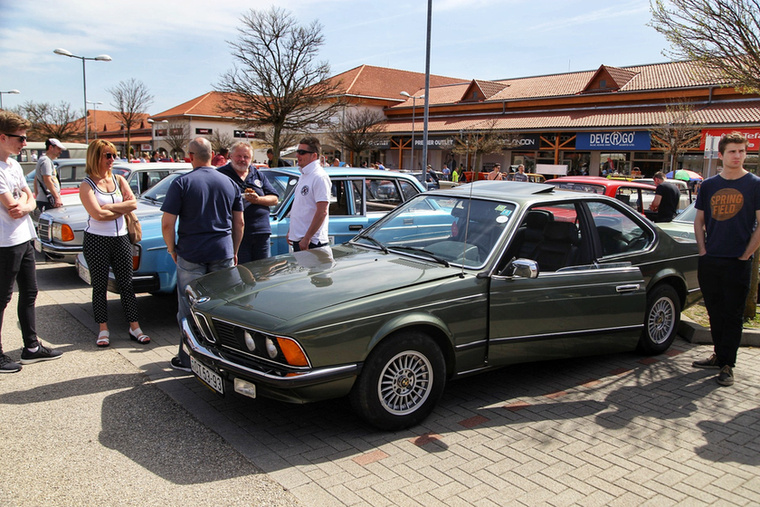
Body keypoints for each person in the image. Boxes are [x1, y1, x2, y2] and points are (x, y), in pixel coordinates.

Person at [161, 137, 244, 371]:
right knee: (221, 308)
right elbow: (239, 223)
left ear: (191, 156)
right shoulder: (229, 183)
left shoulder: (182, 183)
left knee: (189, 308)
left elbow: (168, 223)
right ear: (211, 154)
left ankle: (188, 359)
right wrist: (234, 250)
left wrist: (171, 248)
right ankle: (224, 360)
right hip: (222, 251)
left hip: (191, 253)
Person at [692, 132, 760, 387]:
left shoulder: (754, 184)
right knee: (714, 311)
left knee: (733, 315)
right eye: (733, 151)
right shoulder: (709, 185)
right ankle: (718, 355)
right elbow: (699, 221)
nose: (738, 156)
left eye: (742, 151)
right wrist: (702, 250)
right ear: (721, 155)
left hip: (738, 261)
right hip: (710, 259)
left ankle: (728, 364)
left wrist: (746, 255)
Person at [0, 111, 62, 372]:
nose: (24, 144)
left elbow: (30, 196)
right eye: (21, 139)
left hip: (24, 236)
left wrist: (26, 205)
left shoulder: (13, 165)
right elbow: (13, 205)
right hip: (5, 242)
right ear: (2, 137)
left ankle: (32, 347)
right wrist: (27, 205)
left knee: (30, 292)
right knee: (2, 298)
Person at [79, 140, 150, 348]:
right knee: (100, 286)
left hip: (121, 239)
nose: (112, 159)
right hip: (96, 240)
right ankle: (103, 328)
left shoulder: (119, 179)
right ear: (95, 157)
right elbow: (98, 215)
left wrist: (110, 206)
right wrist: (119, 208)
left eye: (113, 155)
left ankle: (134, 326)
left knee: (127, 284)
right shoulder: (87, 184)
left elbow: (133, 203)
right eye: (107, 155)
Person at [218, 142, 279, 263]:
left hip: (261, 232)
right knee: (242, 273)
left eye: (246, 157)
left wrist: (258, 200)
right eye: (239, 156)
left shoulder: (257, 175)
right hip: (235, 234)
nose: (242, 160)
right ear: (231, 156)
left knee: (263, 274)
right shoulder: (221, 174)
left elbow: (274, 199)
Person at [288, 136, 330, 252]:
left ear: (314, 155)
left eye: (302, 152)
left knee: (314, 270)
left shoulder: (319, 177)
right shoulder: (304, 175)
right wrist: (291, 231)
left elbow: (322, 211)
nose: (297, 156)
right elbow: (301, 206)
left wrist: (307, 238)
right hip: (301, 239)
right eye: (298, 152)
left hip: (312, 242)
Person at [35, 138, 65, 212]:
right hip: (47, 201)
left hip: (45, 199)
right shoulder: (46, 161)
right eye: (58, 149)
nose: (60, 152)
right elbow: (47, 180)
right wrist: (57, 197)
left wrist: (38, 196)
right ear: (51, 147)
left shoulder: (46, 160)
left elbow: (36, 180)